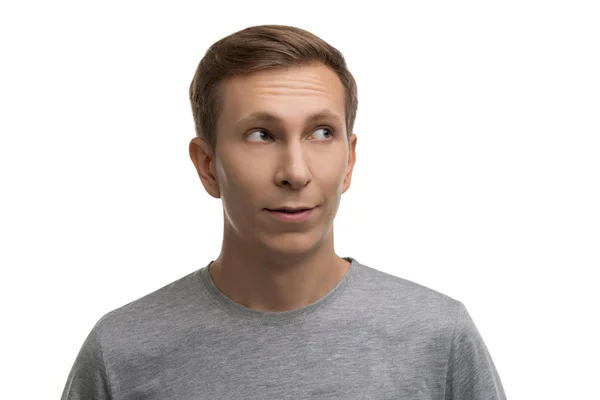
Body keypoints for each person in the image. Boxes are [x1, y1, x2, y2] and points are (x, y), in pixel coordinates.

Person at [61, 24, 507, 399]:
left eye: (321, 132)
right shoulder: (120, 354)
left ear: (349, 161)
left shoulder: (439, 339)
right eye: (261, 135)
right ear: (207, 166)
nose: (295, 172)